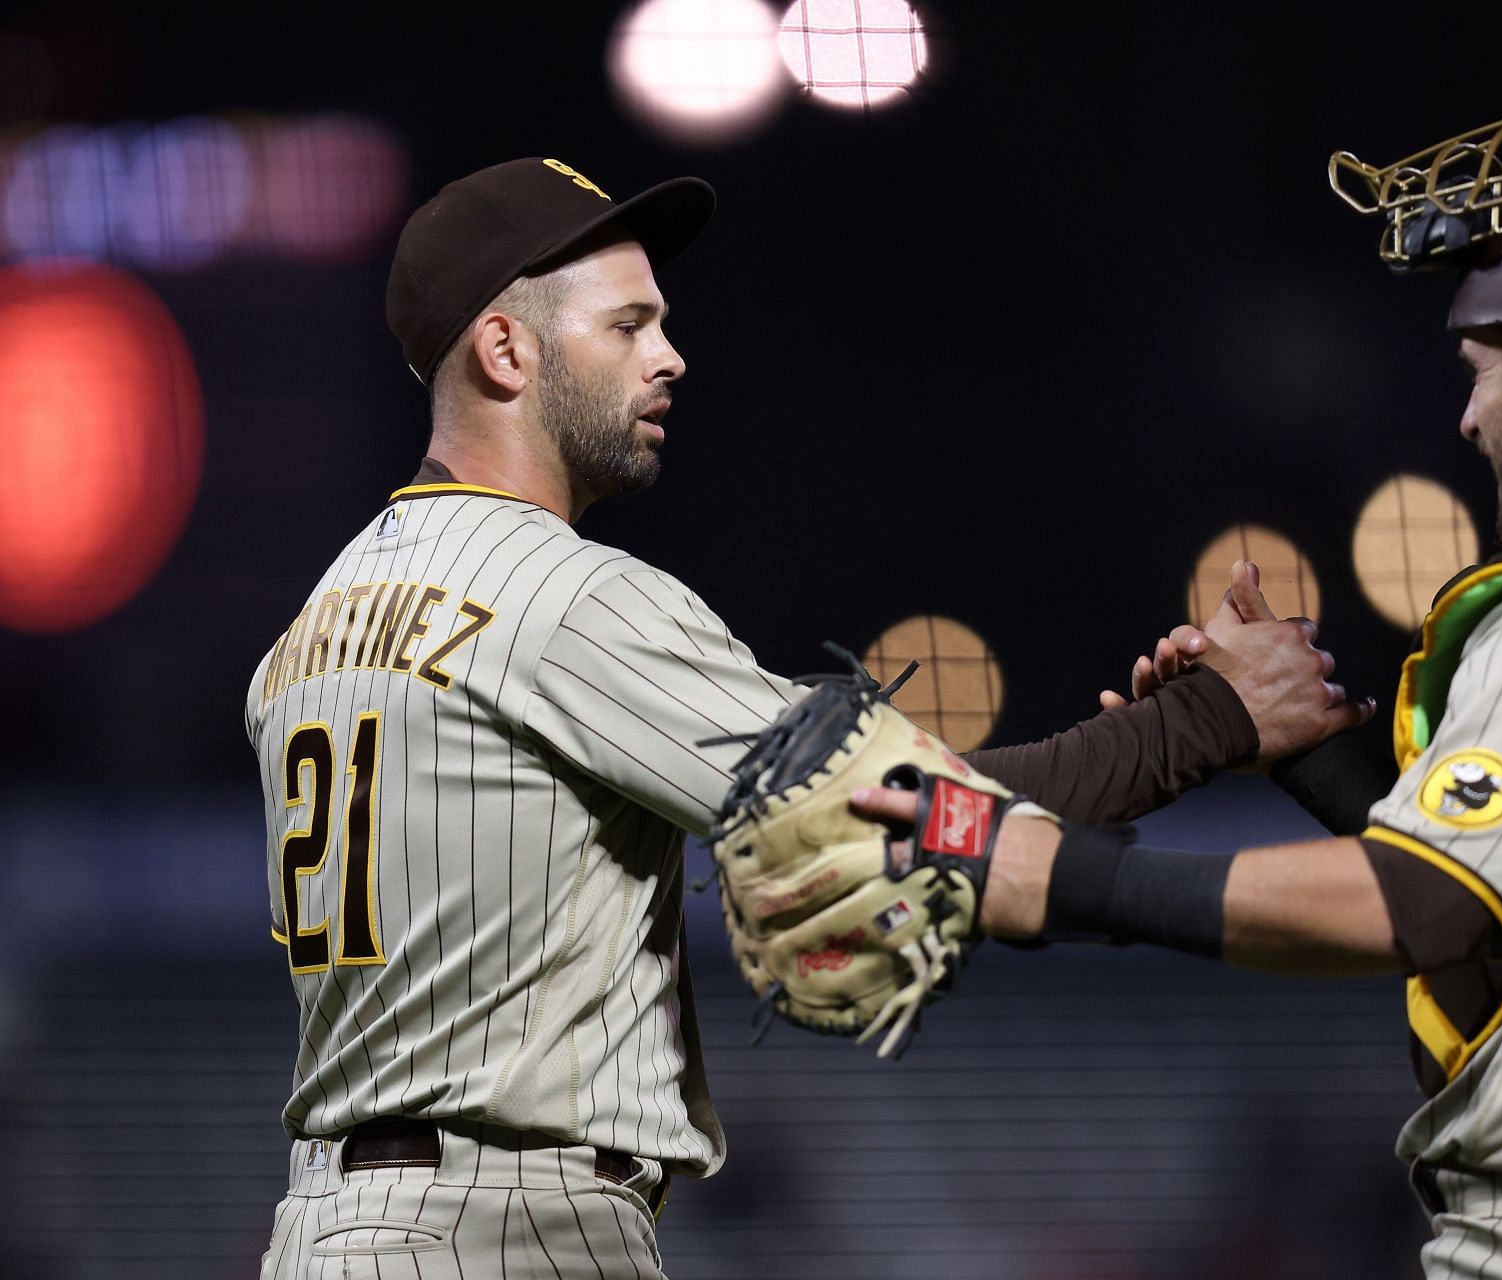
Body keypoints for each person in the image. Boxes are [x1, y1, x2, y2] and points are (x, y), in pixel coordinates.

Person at [246, 156, 1365, 1279]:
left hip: (328, 1228)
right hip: (504, 1226)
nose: (669, 355)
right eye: (628, 324)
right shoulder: (563, 597)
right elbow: (902, 810)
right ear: (505, 350)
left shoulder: (306, 631)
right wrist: (1210, 721)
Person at [854, 93, 1502, 1277]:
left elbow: (1421, 906)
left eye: (1478, 371)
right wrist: (1315, 758)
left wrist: (1062, 875)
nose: (1466, 413)